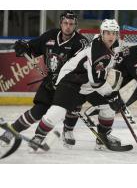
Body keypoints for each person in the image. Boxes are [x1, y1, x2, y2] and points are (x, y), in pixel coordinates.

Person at [28, 19, 125, 151]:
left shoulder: (115, 45)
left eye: (114, 33)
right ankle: (38, 136)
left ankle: (103, 136)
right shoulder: (97, 50)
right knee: (58, 111)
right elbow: (96, 81)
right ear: (102, 33)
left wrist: (113, 97)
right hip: (70, 80)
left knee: (108, 107)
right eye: (107, 33)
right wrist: (112, 95)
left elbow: (100, 76)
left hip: (86, 82)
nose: (111, 36)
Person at [0, 11, 89, 147]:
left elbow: (79, 67)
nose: (68, 26)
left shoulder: (81, 43)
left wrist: (64, 80)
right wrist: (24, 47)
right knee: (37, 111)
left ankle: (62, 131)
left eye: (71, 24)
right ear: (61, 23)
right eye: (65, 23)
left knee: (69, 108)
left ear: (75, 25)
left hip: (69, 84)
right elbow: (33, 47)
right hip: (50, 82)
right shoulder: (51, 35)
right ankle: (11, 131)